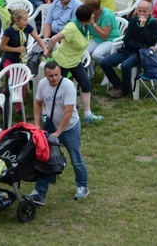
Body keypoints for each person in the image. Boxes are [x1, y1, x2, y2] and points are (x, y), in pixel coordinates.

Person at [25, 61, 91, 205]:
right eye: (51, 76)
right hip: (51, 125)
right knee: (44, 159)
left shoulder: (68, 86)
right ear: (45, 75)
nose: (54, 78)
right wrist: (37, 125)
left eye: (56, 75)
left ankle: (82, 186)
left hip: (69, 128)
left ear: (61, 73)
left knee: (75, 157)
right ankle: (40, 192)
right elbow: (37, 104)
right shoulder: (42, 84)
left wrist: (58, 132)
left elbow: (68, 112)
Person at [46, 5, 103, 122]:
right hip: (63, 62)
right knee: (56, 89)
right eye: (91, 14)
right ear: (86, 17)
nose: (94, 15)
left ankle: (88, 115)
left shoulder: (84, 26)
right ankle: (48, 114)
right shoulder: (72, 27)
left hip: (75, 61)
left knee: (86, 85)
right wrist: (49, 52)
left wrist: (93, 24)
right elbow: (53, 39)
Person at [101, 0, 157, 99]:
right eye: (139, 11)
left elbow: (151, 42)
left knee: (125, 65)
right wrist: (142, 45)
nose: (141, 14)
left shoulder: (154, 24)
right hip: (127, 50)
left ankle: (124, 90)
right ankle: (118, 85)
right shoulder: (133, 21)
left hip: (140, 54)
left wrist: (142, 27)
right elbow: (126, 40)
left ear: (150, 11)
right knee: (104, 62)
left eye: (144, 11)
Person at [83, 0, 120, 74]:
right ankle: (90, 69)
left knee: (96, 55)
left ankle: (108, 71)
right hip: (97, 39)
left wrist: (93, 23)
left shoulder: (107, 15)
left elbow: (104, 36)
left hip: (110, 40)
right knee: (82, 52)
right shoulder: (90, 14)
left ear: (92, 8)